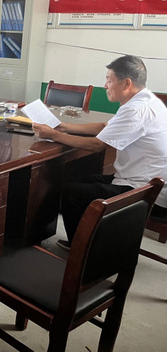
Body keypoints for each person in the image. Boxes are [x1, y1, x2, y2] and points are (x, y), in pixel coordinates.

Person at [32, 55, 167, 249]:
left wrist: (54, 135)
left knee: (71, 192)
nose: (104, 86)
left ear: (126, 83)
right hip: (148, 182)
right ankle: (93, 239)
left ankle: (81, 249)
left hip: (143, 190)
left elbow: (97, 145)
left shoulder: (136, 110)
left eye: (109, 80)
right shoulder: (147, 101)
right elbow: (105, 126)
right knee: (82, 179)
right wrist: (64, 126)